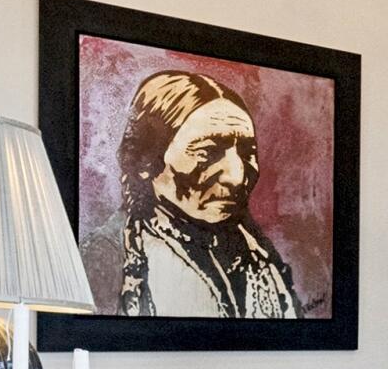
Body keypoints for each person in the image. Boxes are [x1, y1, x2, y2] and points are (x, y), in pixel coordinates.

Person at [115, 69, 300, 318]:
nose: (236, 176)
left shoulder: (260, 258)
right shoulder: (107, 257)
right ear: (146, 161)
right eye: (208, 152)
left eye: (247, 153)